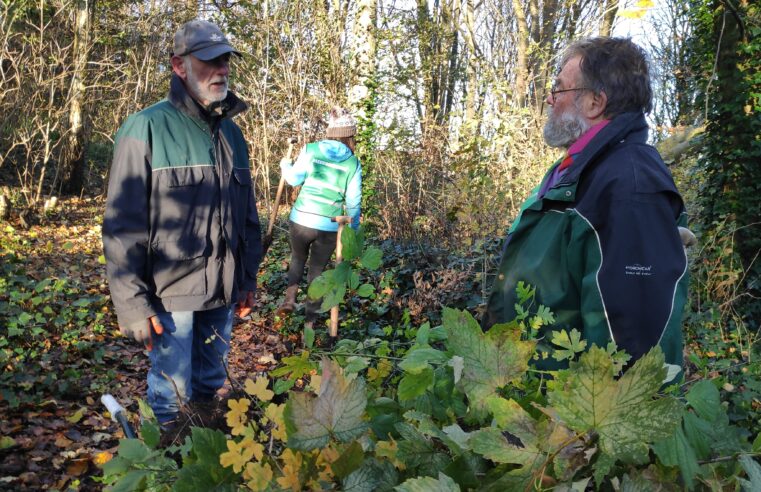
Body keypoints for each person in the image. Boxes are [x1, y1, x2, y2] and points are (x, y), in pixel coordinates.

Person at [483, 37, 689, 377]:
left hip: (566, 418)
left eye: (559, 89)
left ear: (595, 102)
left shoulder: (630, 187)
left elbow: (630, 347)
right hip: (530, 398)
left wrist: (590, 424)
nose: (549, 98)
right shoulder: (576, 170)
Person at [102, 20, 262, 429]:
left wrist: (246, 279)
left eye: (225, 59)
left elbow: (247, 217)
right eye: (209, 61)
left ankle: (201, 459)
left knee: (210, 386)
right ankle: (167, 470)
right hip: (171, 296)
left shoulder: (233, 135)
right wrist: (133, 304)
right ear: (179, 65)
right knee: (172, 394)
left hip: (222, 294)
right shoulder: (146, 128)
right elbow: (123, 225)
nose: (221, 69)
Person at [276, 108, 362, 332]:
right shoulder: (352, 163)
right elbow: (353, 202)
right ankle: (310, 322)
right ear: (349, 136)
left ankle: (290, 298)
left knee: (297, 257)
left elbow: (294, 179)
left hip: (301, 219)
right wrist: (354, 230)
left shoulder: (312, 150)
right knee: (318, 271)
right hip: (329, 224)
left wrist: (286, 165)